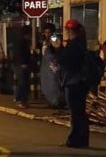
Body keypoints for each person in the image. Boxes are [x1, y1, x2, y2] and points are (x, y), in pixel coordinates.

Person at [57, 19, 90, 148]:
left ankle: (74, 140)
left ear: (68, 30)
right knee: (80, 112)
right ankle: (83, 139)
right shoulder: (81, 44)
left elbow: (64, 61)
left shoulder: (73, 45)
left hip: (73, 82)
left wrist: (58, 49)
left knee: (75, 113)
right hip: (81, 81)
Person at [38, 24, 63, 108]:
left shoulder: (54, 38)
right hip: (45, 65)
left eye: (49, 32)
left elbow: (58, 48)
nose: (47, 34)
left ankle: (55, 101)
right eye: (45, 32)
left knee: (53, 83)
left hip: (53, 64)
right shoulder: (44, 41)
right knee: (46, 83)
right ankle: (50, 100)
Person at [13, 28, 34, 109]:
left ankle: (19, 99)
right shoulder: (22, 42)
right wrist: (23, 63)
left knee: (22, 83)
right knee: (23, 84)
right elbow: (20, 53)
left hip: (21, 65)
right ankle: (22, 101)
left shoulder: (21, 41)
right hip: (22, 65)